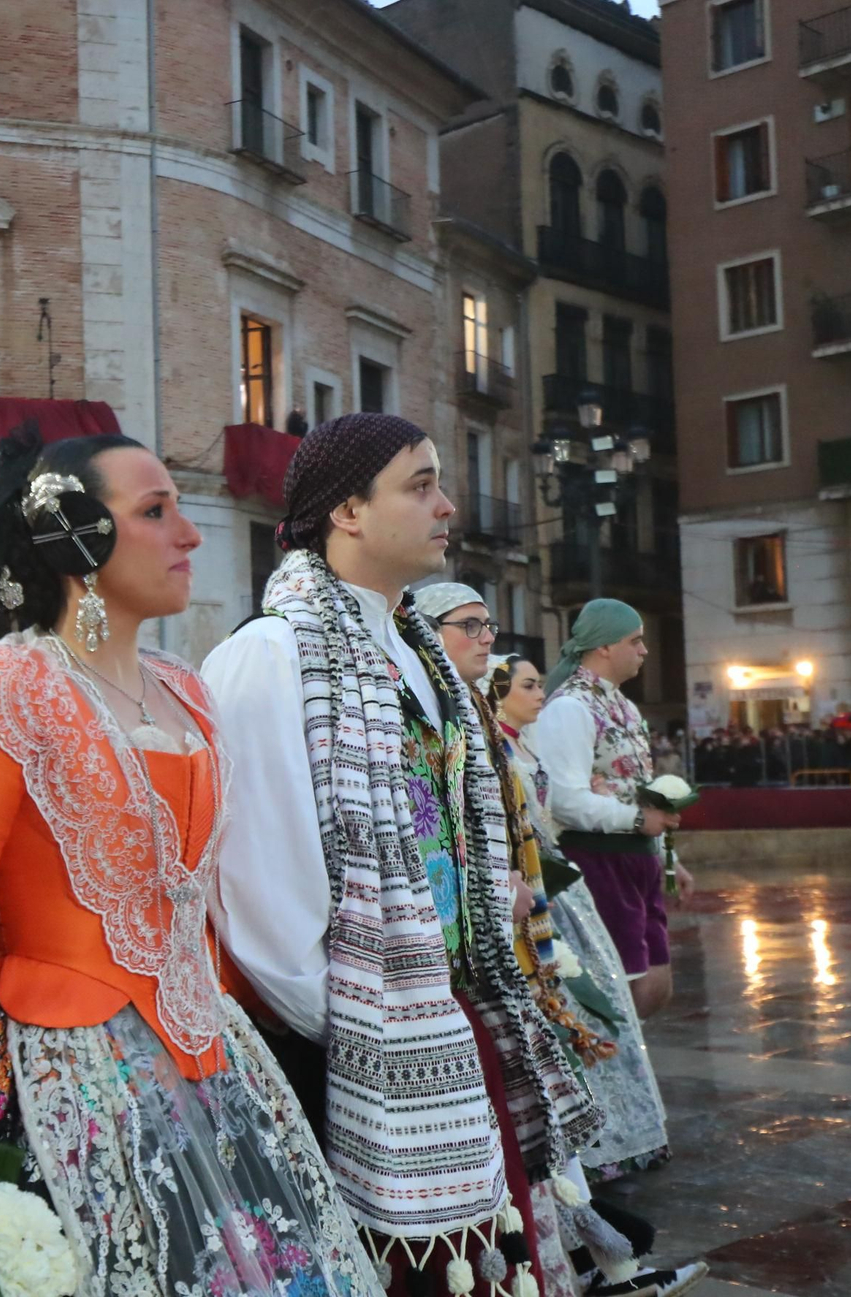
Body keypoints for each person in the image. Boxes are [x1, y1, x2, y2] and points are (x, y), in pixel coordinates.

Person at [0, 427, 375, 1297]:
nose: (191, 534)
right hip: (60, 1082)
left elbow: (196, 915)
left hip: (217, 1069)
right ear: (75, 539)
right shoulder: (0, 694)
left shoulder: (190, 694)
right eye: (156, 512)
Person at [204, 415, 601, 1297]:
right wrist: (366, 1027)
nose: (447, 505)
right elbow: (258, 899)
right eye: (419, 485)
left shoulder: (419, 658)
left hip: (445, 1017)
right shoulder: (270, 655)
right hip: (355, 1044)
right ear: (347, 509)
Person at [417, 592, 702, 1297]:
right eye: (472, 626)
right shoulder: (509, 717)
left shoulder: (488, 721)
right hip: (488, 924)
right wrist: (633, 818)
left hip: (534, 899)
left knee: (585, 1032)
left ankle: (593, 1243)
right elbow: (550, 805)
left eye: (490, 625)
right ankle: (581, 1244)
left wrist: (660, 846)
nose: (489, 637)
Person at [539, 605, 688, 1021]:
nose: (644, 651)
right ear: (603, 645)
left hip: (635, 858)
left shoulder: (624, 707)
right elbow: (564, 798)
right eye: (634, 641)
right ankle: (608, 1076)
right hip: (598, 860)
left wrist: (666, 856)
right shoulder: (569, 707)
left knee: (656, 986)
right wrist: (640, 823)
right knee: (623, 990)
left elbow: (639, 790)